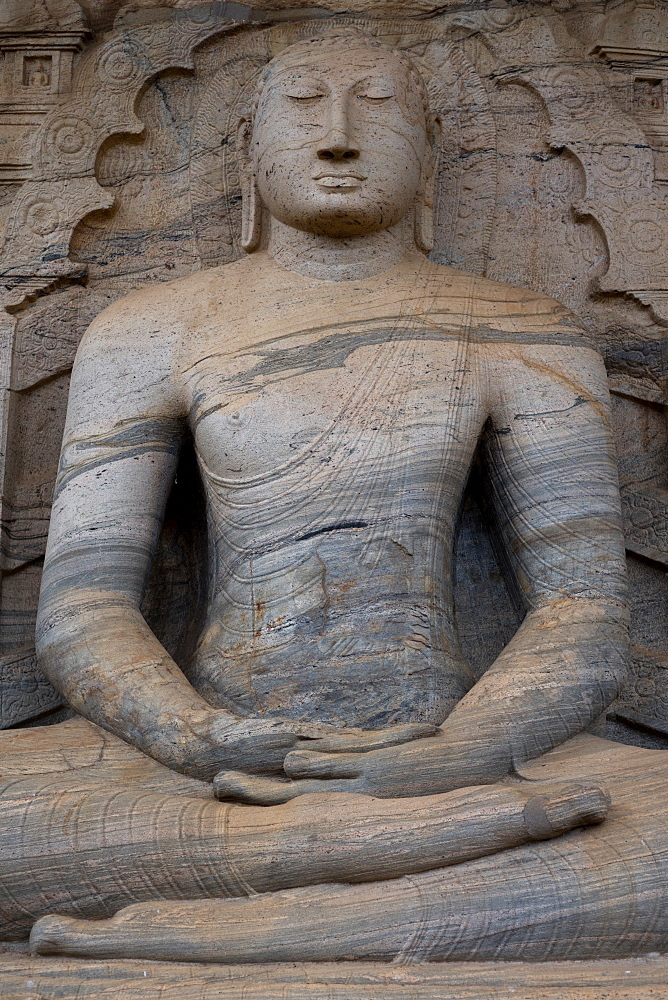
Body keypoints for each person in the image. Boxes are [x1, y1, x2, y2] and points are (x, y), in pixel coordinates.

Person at [4, 28, 665, 961]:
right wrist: (194, 735)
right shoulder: (148, 331)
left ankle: (254, 914)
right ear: (250, 151)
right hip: (203, 778)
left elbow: (583, 612)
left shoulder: (521, 331)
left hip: (451, 760)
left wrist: (459, 752)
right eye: (305, 104)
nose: (341, 136)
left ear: (429, 151)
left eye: (379, 106)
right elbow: (82, 608)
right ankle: (411, 873)